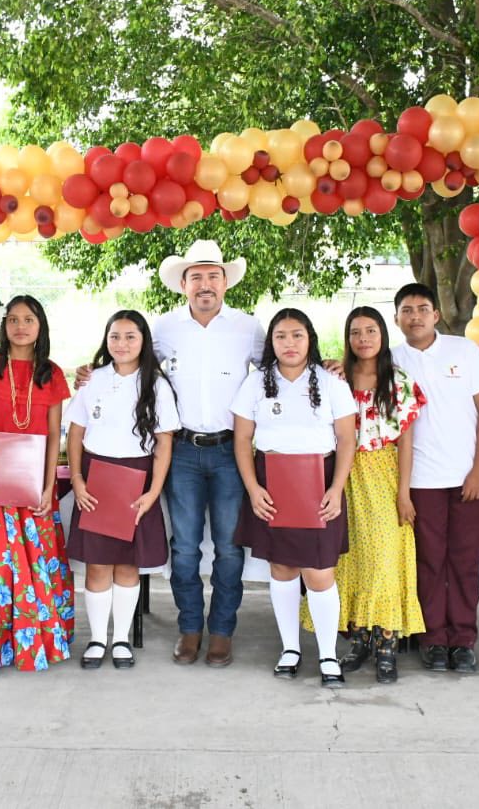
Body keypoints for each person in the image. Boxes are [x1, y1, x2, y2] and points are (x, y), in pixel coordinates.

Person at [152, 240, 265, 668]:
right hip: (181, 451)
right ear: (183, 284)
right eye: (196, 276)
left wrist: (327, 366)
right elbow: (138, 369)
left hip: (231, 453)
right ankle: (190, 629)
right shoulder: (164, 328)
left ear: (224, 282)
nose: (205, 284)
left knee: (229, 548)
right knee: (183, 548)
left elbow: (279, 368)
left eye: (212, 276)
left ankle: (221, 632)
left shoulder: (248, 327)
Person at [231, 309, 357, 687]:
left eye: (297, 335)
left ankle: (328, 655)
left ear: (310, 339)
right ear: (271, 342)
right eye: (281, 336)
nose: (289, 343)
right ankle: (290, 648)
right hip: (271, 482)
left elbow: (347, 440)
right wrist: (254, 489)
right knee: (282, 569)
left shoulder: (331, 382)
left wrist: (336, 489)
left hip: (319, 483)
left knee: (319, 573)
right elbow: (241, 440)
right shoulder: (255, 384)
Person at [316, 306, 427, 684]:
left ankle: (386, 646)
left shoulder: (398, 381)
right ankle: (359, 640)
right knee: (350, 557)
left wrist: (404, 493)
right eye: (355, 332)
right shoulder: (336, 378)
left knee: (384, 557)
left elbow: (407, 444)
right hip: (341, 473)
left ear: (383, 335)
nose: (363, 339)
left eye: (371, 331)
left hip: (382, 472)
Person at [0, 295, 74, 675]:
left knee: (35, 565)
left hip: (35, 485)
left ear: (41, 325)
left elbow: (53, 433)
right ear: (3, 324)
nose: (20, 326)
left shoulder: (53, 373)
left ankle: (39, 642)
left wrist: (48, 488)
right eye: (13, 319)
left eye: (29, 319)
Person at [391, 283, 479, 673]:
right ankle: (433, 637)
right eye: (406, 310)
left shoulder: (463, 351)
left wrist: (478, 470)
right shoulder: (392, 359)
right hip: (420, 479)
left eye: (422, 308)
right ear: (397, 317)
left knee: (465, 561)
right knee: (429, 561)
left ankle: (463, 638)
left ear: (436, 315)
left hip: (468, 478)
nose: (415, 316)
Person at [66, 310, 180, 669]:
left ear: (143, 341)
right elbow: (75, 434)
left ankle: (120, 640)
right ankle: (98, 639)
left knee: (128, 567)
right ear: (106, 340)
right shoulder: (92, 380)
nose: (122, 344)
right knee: (98, 566)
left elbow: (164, 444)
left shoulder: (157, 385)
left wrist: (153, 491)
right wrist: (78, 480)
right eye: (115, 336)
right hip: (96, 478)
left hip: (136, 479)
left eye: (131, 336)